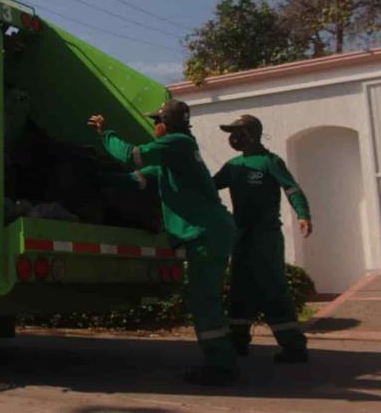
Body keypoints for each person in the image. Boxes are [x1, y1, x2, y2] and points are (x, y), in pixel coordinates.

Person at [88, 100, 239, 385]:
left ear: (166, 123)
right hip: (210, 231)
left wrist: (105, 133)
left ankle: (221, 365)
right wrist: (104, 178)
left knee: (203, 299)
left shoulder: (176, 143)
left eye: (157, 120)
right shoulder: (178, 153)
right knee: (205, 298)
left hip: (206, 232)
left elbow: (133, 156)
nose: (154, 125)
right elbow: (143, 177)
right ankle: (224, 358)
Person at [214, 114, 312, 363]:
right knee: (239, 287)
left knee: (273, 287)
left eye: (237, 133)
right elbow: (209, 186)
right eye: (231, 133)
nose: (233, 138)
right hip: (242, 237)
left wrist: (303, 214)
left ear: (251, 134)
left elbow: (291, 189)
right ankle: (238, 341)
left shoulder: (270, 162)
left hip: (266, 237)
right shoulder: (234, 165)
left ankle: (294, 346)